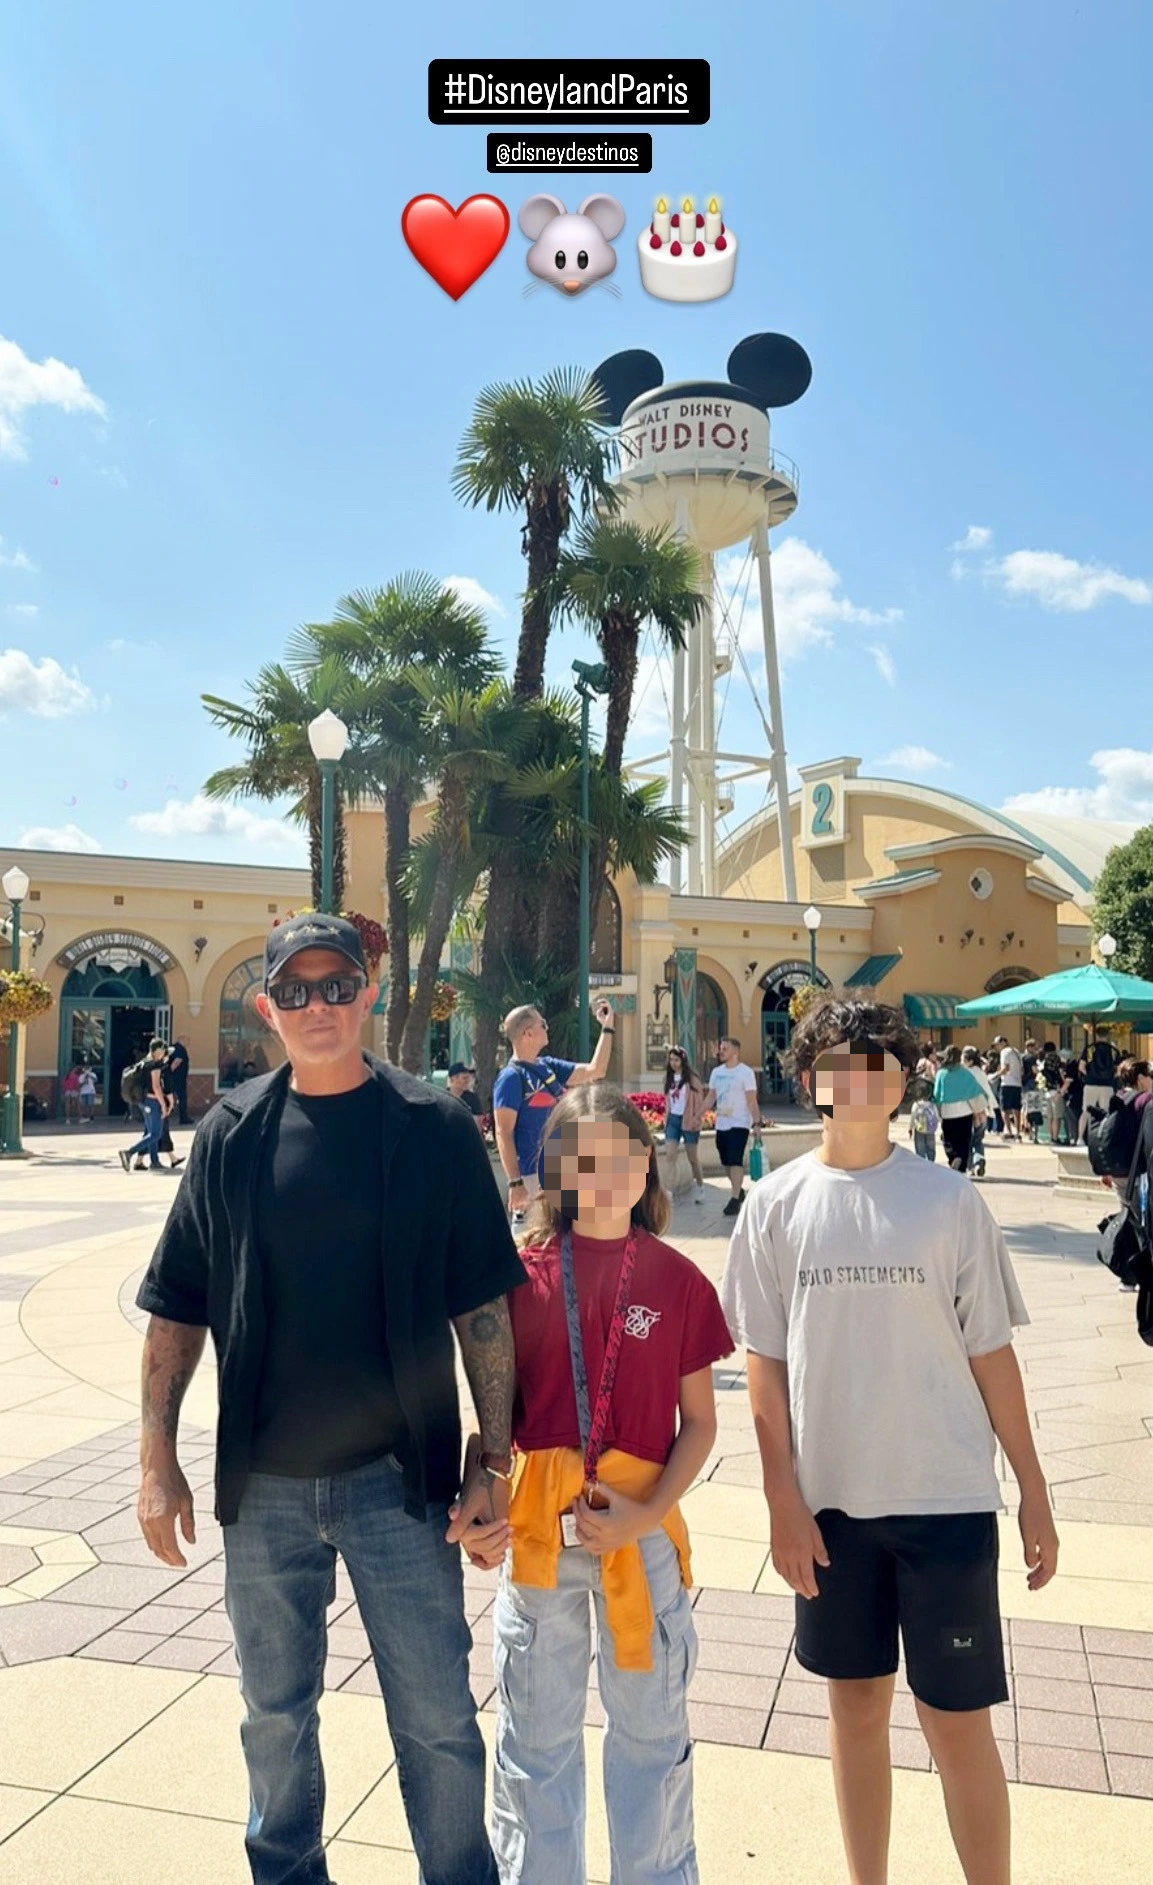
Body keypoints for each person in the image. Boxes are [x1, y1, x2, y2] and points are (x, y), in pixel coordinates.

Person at [134, 913, 528, 1885]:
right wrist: (156, 1458)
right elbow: (177, 1304)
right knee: (273, 1713)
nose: (318, 1005)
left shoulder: (432, 1127)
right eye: (295, 990)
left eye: (336, 984)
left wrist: (494, 1457)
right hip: (262, 1487)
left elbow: (483, 1305)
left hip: (402, 1482)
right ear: (268, 1006)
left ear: (368, 993)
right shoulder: (229, 1132)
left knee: (437, 1716)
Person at [721, 996, 1058, 1885]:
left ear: (901, 1076)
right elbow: (764, 1369)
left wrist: (1032, 1486)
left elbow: (992, 1354)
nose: (859, 1078)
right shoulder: (773, 1205)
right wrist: (780, 1499)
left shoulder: (948, 1201)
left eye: (878, 1061)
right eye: (839, 1061)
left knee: (956, 1723)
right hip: (830, 1509)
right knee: (856, 1711)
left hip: (944, 1503)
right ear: (810, 1079)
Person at [487, 1082, 734, 1884]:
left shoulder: (676, 1281)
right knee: (535, 1743)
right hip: (538, 1539)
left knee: (650, 1741)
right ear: (553, 1170)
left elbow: (698, 1421)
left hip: (642, 1533)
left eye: (619, 1157)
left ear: (647, 1165)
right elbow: (492, 1422)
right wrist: (482, 1497)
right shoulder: (517, 1278)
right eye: (580, 1160)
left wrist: (646, 1512)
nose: (601, 1176)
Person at [493, 1000, 616, 1217]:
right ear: (528, 1034)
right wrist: (515, 1183)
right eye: (542, 1024)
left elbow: (596, 1070)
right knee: (533, 1243)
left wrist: (607, 1027)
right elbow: (503, 1133)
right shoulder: (511, 1078)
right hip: (533, 1178)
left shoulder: (547, 1065)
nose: (546, 1028)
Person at [703, 1036, 762, 1216]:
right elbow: (711, 1097)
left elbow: (751, 1101)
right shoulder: (716, 1072)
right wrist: (698, 1114)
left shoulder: (745, 1073)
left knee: (735, 1160)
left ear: (736, 1052)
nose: (721, 1051)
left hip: (739, 1122)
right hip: (722, 1123)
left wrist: (756, 1123)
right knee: (727, 1163)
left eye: (725, 1049)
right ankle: (739, 1191)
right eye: (721, 1048)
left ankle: (734, 1199)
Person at [662, 1043, 707, 1204]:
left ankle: (701, 1187)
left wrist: (696, 1117)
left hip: (688, 1119)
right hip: (673, 1119)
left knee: (692, 1157)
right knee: (670, 1155)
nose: (673, 1063)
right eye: (671, 1060)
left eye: (676, 1060)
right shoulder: (669, 1078)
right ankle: (669, 1191)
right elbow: (668, 1101)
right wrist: (665, 1119)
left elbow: (700, 1100)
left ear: (683, 1060)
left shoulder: (692, 1079)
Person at [932, 1045, 987, 1174]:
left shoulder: (941, 1073)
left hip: (947, 1112)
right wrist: (979, 1111)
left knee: (949, 1140)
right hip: (964, 1111)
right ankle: (961, 1168)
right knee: (964, 1140)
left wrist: (938, 1114)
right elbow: (975, 1092)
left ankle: (953, 1158)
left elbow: (936, 1095)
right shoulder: (965, 1073)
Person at [119, 1039, 170, 1173]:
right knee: (155, 1133)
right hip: (152, 1102)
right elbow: (156, 1087)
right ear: (158, 1050)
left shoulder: (143, 1063)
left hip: (143, 1102)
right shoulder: (155, 1066)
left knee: (149, 1131)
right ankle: (129, 1153)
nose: (164, 1053)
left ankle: (154, 1161)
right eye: (163, 1050)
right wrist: (163, 1105)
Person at [961, 1047, 998, 1177]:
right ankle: (979, 1160)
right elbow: (987, 1091)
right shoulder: (981, 1073)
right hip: (982, 1111)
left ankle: (970, 1166)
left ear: (970, 1061)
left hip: (967, 1111)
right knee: (978, 1140)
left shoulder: (965, 1074)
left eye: (963, 1059)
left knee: (967, 1140)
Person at [1082, 1032, 1121, 1139]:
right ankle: (1105, 1135)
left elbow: (1081, 1066)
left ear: (1097, 1036)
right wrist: (1111, 1077)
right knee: (1106, 1112)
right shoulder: (1114, 1051)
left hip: (1091, 1084)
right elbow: (1119, 1069)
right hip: (1107, 1085)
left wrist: (1089, 1075)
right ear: (1107, 1036)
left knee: (1086, 1111)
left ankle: (1081, 1137)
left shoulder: (1090, 1049)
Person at [447, 1060, 486, 1136]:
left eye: (469, 1078)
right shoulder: (443, 1097)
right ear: (453, 1079)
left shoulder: (473, 1099)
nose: (467, 1081)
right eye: (464, 1078)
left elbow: (477, 1126)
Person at [1040, 1041, 1066, 1146]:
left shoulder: (1043, 1061)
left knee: (1050, 1116)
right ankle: (1056, 1138)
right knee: (1057, 1116)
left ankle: (1051, 1137)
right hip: (1056, 1089)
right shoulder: (1057, 1059)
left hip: (1047, 1089)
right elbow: (1061, 1072)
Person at [997, 1038, 1023, 1141]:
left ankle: (1009, 1132)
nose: (997, 1047)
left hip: (1007, 1083)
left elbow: (1006, 1068)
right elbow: (1021, 1069)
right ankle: (1018, 1132)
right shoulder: (1016, 1052)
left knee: (1004, 1109)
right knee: (1017, 1109)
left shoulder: (1004, 1052)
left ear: (1003, 1043)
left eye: (998, 1044)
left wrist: (995, 1075)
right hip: (1017, 1083)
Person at [908, 1084, 940, 1161]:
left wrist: (910, 1128)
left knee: (920, 1148)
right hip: (930, 1129)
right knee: (931, 1148)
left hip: (919, 1129)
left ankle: (921, 1162)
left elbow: (912, 1117)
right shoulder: (932, 1105)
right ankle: (931, 1162)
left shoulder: (916, 1105)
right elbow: (937, 1117)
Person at [1061, 1049, 1086, 1146]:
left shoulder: (1070, 1065)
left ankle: (1074, 1138)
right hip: (1080, 1093)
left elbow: (1068, 1081)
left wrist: (1061, 1092)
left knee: (1072, 1118)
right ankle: (1077, 1137)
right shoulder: (1077, 1064)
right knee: (1077, 1116)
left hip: (1073, 1095)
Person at [167, 1036, 192, 1124]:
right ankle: (183, 1118)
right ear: (182, 1039)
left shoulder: (172, 1047)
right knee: (182, 1098)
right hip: (178, 1078)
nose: (188, 1042)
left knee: (168, 1096)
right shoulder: (180, 1049)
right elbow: (177, 1061)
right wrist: (169, 1072)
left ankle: (164, 1117)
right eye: (187, 1040)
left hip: (173, 1078)